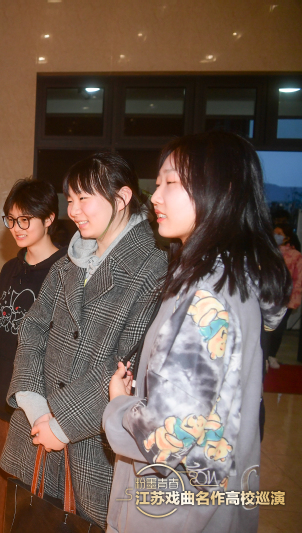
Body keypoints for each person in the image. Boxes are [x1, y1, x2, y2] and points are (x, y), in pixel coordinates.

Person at [105, 131, 290, 532]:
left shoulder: (208, 292)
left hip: (177, 507)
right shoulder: (234, 275)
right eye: (158, 183)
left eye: (171, 182)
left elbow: (166, 436)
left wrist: (119, 405)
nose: (155, 197)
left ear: (222, 189)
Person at [0, 153, 167, 529]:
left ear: (122, 198)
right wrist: (34, 404)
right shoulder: (72, 257)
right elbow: (33, 328)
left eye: (84, 198)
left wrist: (62, 423)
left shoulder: (153, 267)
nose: (73, 210)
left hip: (93, 438)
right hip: (38, 426)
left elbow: (128, 364)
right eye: (70, 199)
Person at [0, 178, 65, 533]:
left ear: (49, 218)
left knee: (29, 493)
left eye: (25, 219)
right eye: (11, 219)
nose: (16, 227)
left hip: (35, 405)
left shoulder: (65, 273)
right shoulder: (10, 269)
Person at [263, 222, 301, 369]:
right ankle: (264, 357)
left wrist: (293, 299)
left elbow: (298, 279)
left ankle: (272, 355)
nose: (275, 236)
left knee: (278, 330)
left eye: (279, 234)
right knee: (265, 329)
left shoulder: (296, 255)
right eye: (274, 233)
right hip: (268, 296)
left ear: (287, 237)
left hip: (286, 298)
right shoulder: (268, 252)